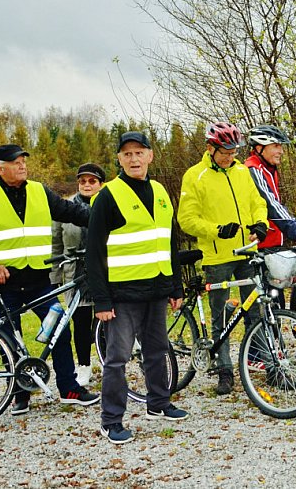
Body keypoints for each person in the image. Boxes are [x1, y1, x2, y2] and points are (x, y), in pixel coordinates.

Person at [0, 144, 99, 415]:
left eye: (23, 161)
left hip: (39, 282)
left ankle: (69, 389)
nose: (22, 165)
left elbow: (73, 212)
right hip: (3, 285)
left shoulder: (40, 191)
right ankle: (20, 394)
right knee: (9, 340)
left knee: (59, 331)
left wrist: (104, 218)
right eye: (15, 162)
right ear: (0, 169)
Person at [86, 131, 188, 444]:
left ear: (150, 156)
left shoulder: (159, 191)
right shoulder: (108, 196)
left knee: (157, 351)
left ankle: (158, 403)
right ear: (119, 159)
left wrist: (176, 287)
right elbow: (94, 252)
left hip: (156, 289)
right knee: (118, 359)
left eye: (139, 153)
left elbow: (169, 242)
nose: (134, 159)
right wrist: (101, 300)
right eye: (127, 154)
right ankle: (111, 421)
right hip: (122, 294)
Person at [177, 122, 268, 396]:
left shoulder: (242, 172)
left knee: (256, 310)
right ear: (210, 148)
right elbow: (186, 219)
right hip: (217, 256)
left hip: (246, 251)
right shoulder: (195, 176)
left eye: (233, 152)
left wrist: (260, 223)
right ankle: (224, 370)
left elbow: (257, 202)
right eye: (225, 152)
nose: (230, 157)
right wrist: (216, 230)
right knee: (220, 317)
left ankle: (267, 363)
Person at [51, 163, 106, 387]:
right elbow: (56, 243)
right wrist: (55, 277)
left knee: (105, 320)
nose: (87, 185)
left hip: (104, 270)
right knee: (81, 323)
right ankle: (83, 366)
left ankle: (108, 362)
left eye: (92, 181)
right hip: (75, 272)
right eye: (82, 181)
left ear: (100, 184)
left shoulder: (108, 204)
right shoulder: (65, 208)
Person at [244, 124, 296, 248]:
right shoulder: (253, 170)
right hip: (259, 243)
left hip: (273, 241)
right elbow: (271, 205)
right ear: (259, 148)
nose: (281, 151)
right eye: (276, 146)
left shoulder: (269, 169)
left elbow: (277, 205)